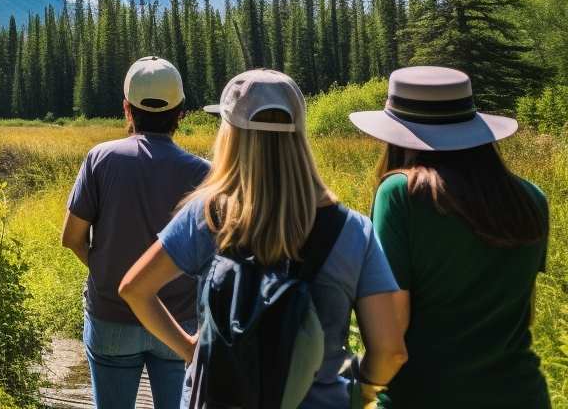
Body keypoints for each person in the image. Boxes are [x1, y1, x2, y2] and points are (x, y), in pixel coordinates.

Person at [119, 69, 408, 409]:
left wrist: (189, 349)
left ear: (231, 136)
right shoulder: (352, 229)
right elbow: (390, 350)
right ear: (299, 135)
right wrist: (362, 394)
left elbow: (134, 289)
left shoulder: (207, 216)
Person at [351, 66, 550, 408]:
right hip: (522, 395)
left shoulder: (401, 194)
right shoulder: (531, 198)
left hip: (427, 397)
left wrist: (363, 388)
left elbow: (392, 336)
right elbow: (523, 311)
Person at [61, 56, 210, 409]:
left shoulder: (100, 159)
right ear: (181, 114)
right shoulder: (204, 173)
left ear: (127, 109)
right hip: (179, 326)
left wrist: (107, 271)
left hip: (112, 318)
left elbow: (72, 238)